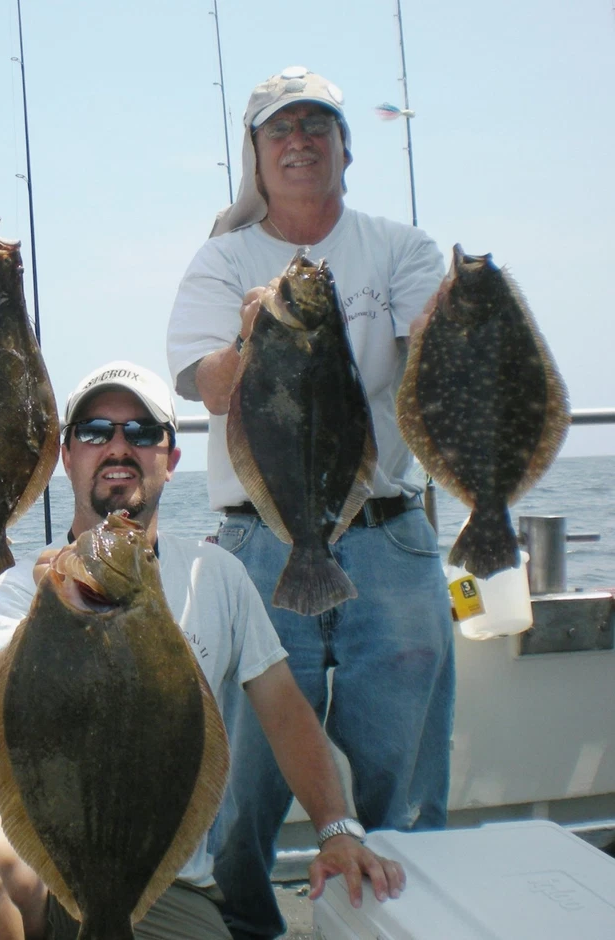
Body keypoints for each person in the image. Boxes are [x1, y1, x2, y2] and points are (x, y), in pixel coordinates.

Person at [0, 361, 405, 940]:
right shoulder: (20, 587)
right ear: (68, 456)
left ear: (172, 460)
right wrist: (45, 613)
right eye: (96, 431)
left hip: (168, 882)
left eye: (144, 432)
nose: (119, 447)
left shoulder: (217, 576)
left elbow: (285, 713)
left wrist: (337, 829)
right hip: (46, 868)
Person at [166, 67, 455, 939]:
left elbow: (433, 360)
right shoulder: (223, 259)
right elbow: (210, 390)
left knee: (399, 769)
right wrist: (256, 333)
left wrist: (463, 319)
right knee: (243, 781)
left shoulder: (400, 247)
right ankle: (246, 927)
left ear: (344, 147)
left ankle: (396, 925)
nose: (300, 142)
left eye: (317, 126)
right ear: (255, 155)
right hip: (263, 541)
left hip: (386, 534)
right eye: (279, 129)